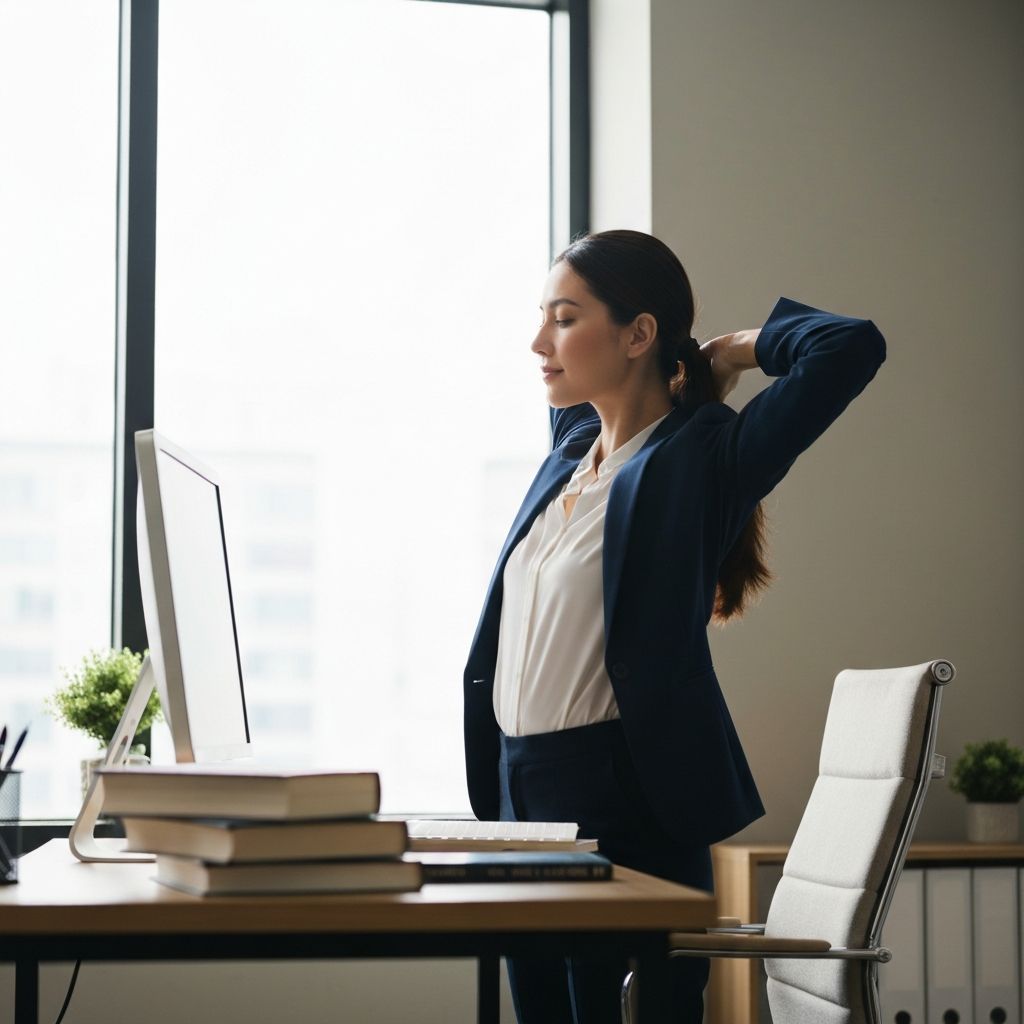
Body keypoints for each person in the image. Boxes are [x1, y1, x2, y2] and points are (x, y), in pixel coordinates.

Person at [462, 229, 886, 1023]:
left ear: (639, 333)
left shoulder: (706, 459)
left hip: (625, 801)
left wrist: (732, 350)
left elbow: (848, 346)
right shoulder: (572, 452)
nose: (537, 342)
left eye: (563, 318)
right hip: (525, 799)